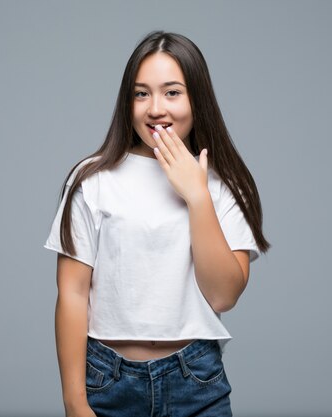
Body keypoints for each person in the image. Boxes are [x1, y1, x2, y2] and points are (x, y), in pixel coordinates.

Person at [43, 31, 270, 417]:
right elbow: (73, 295)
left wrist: (197, 196)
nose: (155, 109)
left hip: (196, 381)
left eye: (172, 92)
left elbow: (223, 296)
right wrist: (74, 403)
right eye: (141, 93)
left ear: (197, 99)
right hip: (107, 380)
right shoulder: (93, 179)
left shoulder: (224, 183)